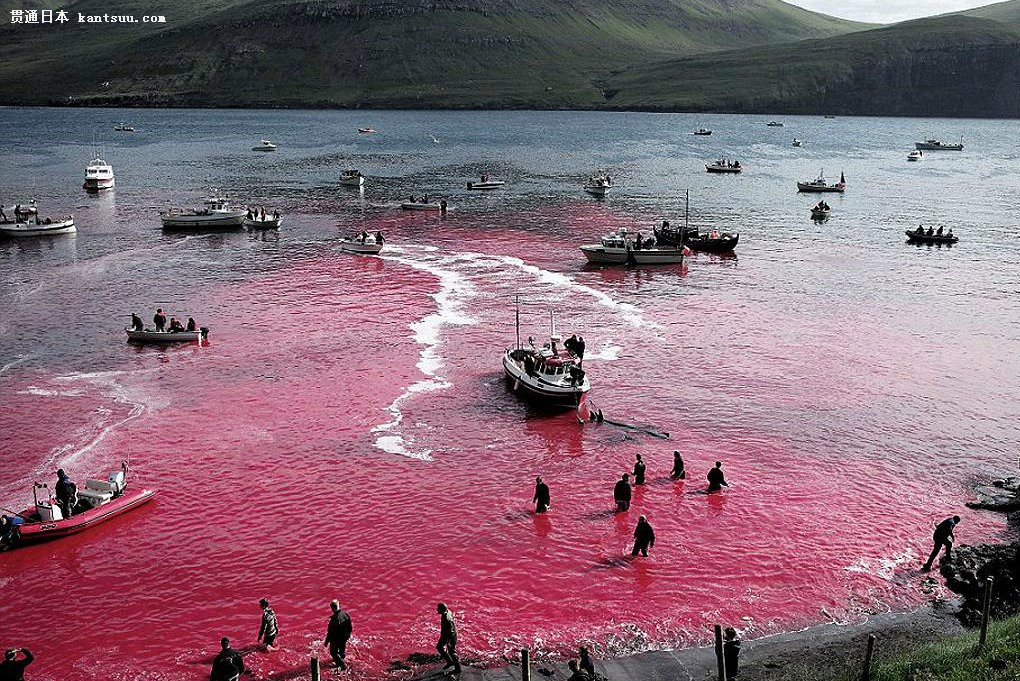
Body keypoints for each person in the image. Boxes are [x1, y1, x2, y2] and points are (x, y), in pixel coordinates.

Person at [325, 599, 353, 669]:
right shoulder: (345, 614)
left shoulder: (334, 619)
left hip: (336, 639)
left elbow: (330, 632)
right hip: (344, 637)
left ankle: (342, 665)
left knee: (333, 652)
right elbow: (349, 626)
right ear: (338, 606)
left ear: (332, 608)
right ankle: (342, 659)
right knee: (342, 651)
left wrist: (326, 641)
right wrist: (347, 635)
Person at [436, 602, 461, 675]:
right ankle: (450, 662)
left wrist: (448, 641)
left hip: (450, 636)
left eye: (438, 609)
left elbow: (451, 630)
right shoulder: (448, 611)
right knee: (439, 647)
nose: (437, 610)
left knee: (452, 652)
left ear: (442, 610)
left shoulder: (447, 619)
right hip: (445, 635)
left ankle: (457, 669)